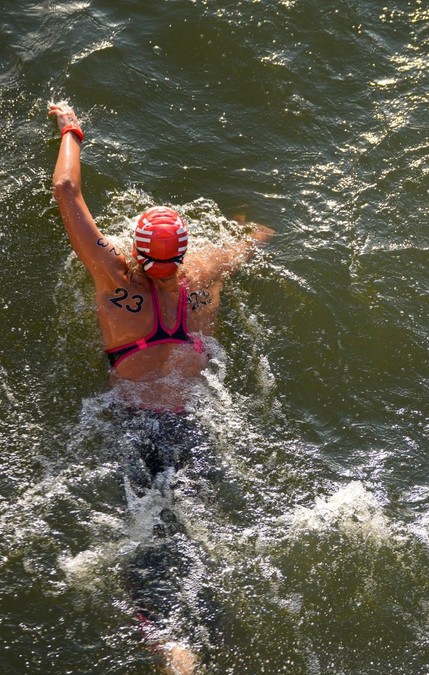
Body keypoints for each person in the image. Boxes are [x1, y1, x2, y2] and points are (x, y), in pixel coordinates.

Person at [49, 102, 273, 674]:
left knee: (146, 546)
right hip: (198, 425)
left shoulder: (115, 281)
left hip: (134, 426)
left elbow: (67, 195)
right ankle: (208, 640)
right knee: (200, 531)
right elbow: (252, 243)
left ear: (137, 253)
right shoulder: (205, 277)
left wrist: (70, 127)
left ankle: (176, 655)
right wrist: (258, 227)